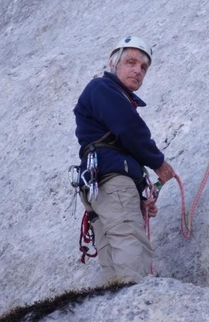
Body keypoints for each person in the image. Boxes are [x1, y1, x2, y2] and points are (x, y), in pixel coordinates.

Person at [73, 36, 175, 287]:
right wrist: (159, 163)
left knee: (111, 254)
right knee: (131, 243)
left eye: (143, 67)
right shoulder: (103, 89)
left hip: (100, 185)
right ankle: (137, 300)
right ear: (113, 63)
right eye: (131, 62)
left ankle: (115, 306)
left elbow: (118, 144)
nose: (138, 70)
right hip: (112, 183)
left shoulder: (107, 96)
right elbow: (129, 129)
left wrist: (139, 197)